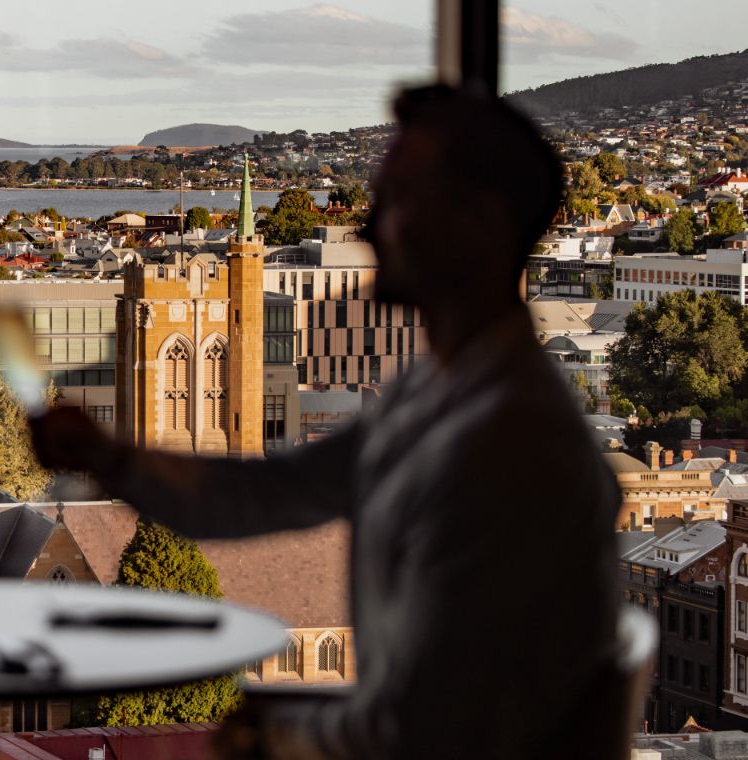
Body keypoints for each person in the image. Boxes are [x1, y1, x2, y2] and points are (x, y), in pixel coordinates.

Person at [31, 85, 621, 758]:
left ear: (479, 224)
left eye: (398, 202)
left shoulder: (510, 450)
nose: (367, 230)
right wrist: (108, 457)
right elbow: (259, 496)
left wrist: (274, 735)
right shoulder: (438, 391)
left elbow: (434, 722)